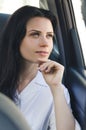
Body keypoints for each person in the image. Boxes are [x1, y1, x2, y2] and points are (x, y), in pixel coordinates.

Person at [0, 5, 81, 130]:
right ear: (16, 39)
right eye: (35, 34)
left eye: (49, 35)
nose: (45, 43)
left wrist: (56, 87)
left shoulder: (55, 89)